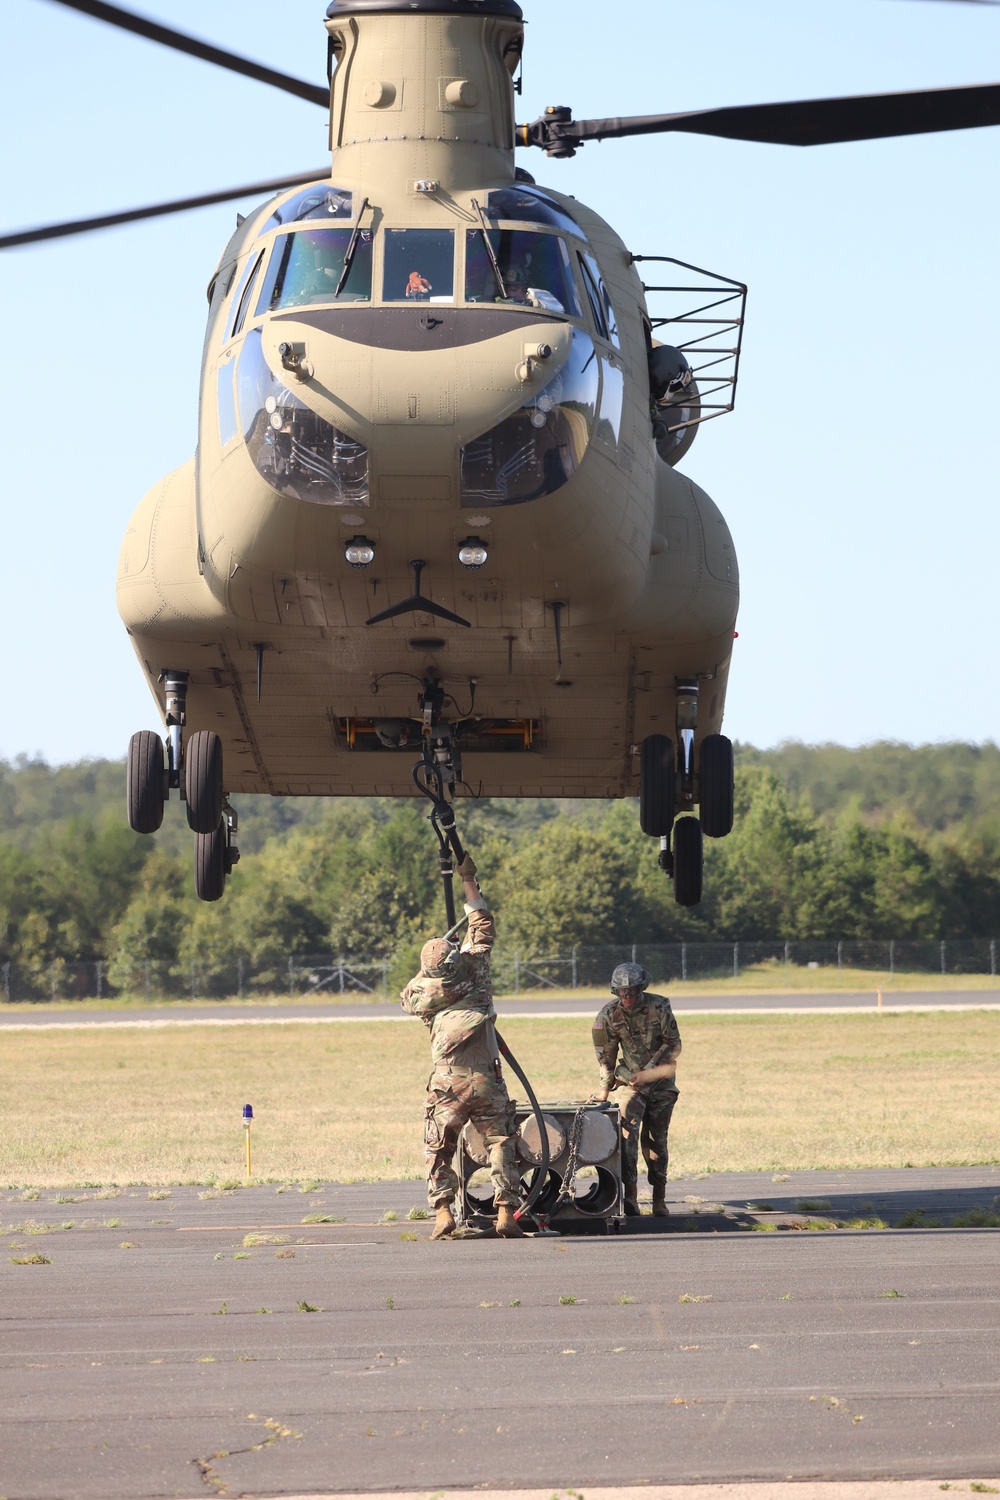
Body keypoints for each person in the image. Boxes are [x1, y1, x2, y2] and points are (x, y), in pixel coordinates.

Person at [400, 853, 523, 1240]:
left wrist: (427, 967)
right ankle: (505, 1210)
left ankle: (442, 1213)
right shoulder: (476, 970)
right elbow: (482, 925)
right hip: (486, 1077)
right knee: (500, 1142)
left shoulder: (423, 995)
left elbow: (409, 993)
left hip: (447, 1083)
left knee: (438, 1147)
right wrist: (469, 879)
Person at [591, 962, 681, 1219]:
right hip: (631, 1086)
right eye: (622, 992)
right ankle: (630, 1197)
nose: (628, 997)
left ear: (642, 988)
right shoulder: (608, 1015)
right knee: (627, 1139)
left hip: (662, 1084)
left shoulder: (659, 1005)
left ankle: (659, 1198)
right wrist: (604, 1089)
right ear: (615, 992)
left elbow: (674, 1044)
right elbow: (606, 1055)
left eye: (632, 991)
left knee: (656, 1143)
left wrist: (649, 1070)